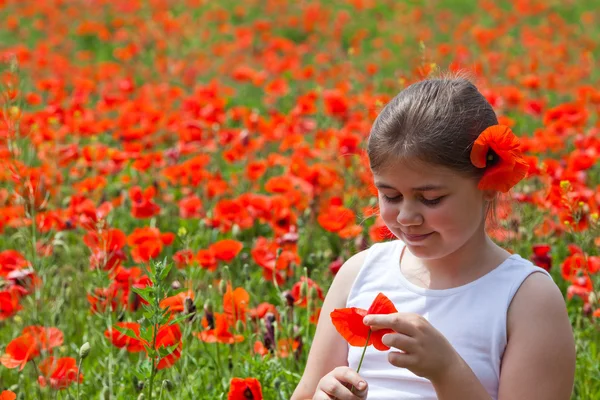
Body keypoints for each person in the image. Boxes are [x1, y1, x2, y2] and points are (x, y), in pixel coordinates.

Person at [291, 75, 576, 400]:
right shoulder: (359, 274)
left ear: (489, 183)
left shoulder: (526, 299)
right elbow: (306, 392)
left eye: (431, 199)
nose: (406, 216)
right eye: (391, 196)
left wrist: (447, 371)